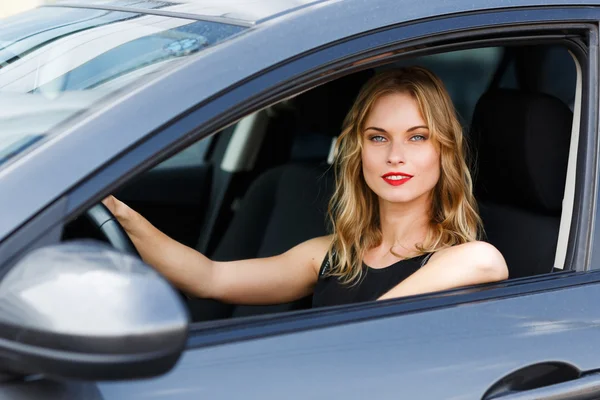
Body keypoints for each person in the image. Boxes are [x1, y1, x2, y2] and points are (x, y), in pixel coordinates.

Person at [103, 66, 508, 309]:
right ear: (358, 151)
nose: (395, 156)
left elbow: (487, 263)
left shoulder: (464, 259)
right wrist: (121, 214)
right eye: (378, 137)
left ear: (444, 151)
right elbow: (209, 278)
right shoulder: (333, 255)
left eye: (417, 137)